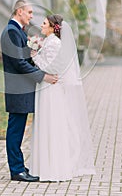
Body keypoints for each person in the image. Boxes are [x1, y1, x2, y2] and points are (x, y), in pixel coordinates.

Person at [29, 14, 96, 182]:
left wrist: (34, 56)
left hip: (51, 89)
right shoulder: (49, 41)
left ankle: (53, 167)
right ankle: (44, 164)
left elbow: (52, 67)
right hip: (46, 87)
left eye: (44, 23)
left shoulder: (54, 43)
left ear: (53, 27)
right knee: (47, 123)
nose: (41, 25)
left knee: (51, 123)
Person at [0, 0, 58, 182]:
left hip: (22, 88)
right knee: (15, 130)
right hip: (17, 88)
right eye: (30, 12)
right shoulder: (11, 32)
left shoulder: (17, 31)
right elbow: (18, 63)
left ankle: (19, 166)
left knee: (18, 128)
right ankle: (16, 170)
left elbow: (25, 58)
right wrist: (42, 76)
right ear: (19, 12)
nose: (32, 16)